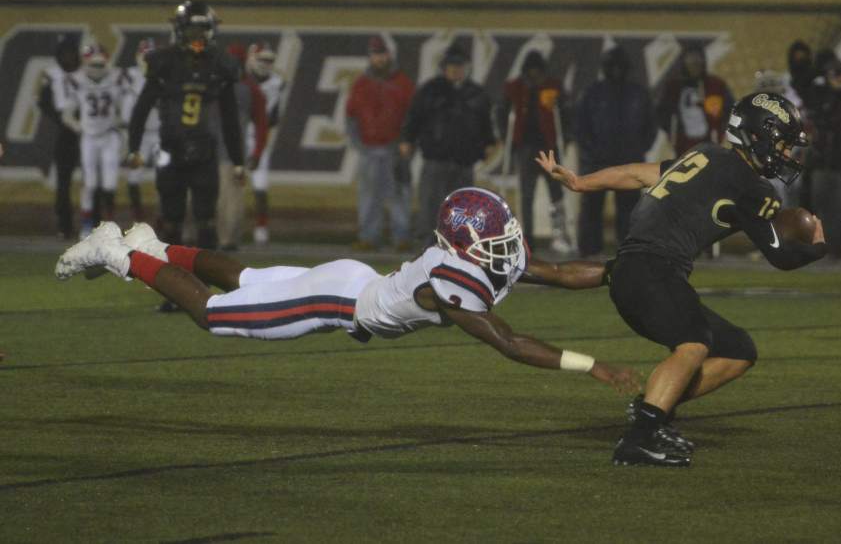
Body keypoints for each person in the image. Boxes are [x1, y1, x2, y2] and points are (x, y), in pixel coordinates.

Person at [55, 187, 641, 395]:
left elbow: (561, 273)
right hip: (338, 301)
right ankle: (121, 254)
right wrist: (593, 365)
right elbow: (509, 343)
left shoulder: (476, 259)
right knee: (215, 313)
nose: (509, 244)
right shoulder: (454, 280)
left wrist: (627, 267)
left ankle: (156, 245)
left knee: (248, 280)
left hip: (354, 281)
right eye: (498, 237)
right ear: (467, 245)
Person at [538, 92, 827, 467]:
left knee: (738, 349)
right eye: (784, 143)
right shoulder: (752, 188)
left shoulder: (704, 154)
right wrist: (818, 247)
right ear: (759, 136)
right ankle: (639, 437)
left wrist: (581, 182)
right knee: (693, 344)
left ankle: (653, 409)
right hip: (654, 271)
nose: (787, 153)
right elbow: (781, 257)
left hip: (633, 269)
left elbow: (635, 173)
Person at [126, 0, 244, 254]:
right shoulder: (164, 62)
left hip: (203, 148)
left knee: (206, 221)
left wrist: (237, 159)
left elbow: (230, 118)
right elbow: (141, 109)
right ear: (180, 30)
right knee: (170, 220)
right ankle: (173, 275)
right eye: (192, 31)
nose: (197, 38)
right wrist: (133, 147)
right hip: (169, 147)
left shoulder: (219, 64)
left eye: (202, 31)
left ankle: (205, 277)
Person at [400, 43, 498, 246]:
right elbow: (414, 117)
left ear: (466, 68)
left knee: (462, 208)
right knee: (431, 205)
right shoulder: (430, 90)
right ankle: (428, 246)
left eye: (459, 66)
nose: (455, 70)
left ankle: (458, 246)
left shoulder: (476, 93)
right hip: (436, 158)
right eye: (451, 66)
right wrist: (407, 139)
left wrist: (488, 143)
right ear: (444, 67)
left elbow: (485, 123)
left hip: (464, 160)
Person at [570, 46, 656, 257]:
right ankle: (589, 251)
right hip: (597, 161)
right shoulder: (592, 93)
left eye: (620, 66)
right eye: (612, 66)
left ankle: (629, 251)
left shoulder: (638, 94)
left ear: (626, 68)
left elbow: (650, 127)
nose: (616, 70)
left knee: (630, 210)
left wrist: (638, 149)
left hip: (629, 162)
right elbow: (580, 127)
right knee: (592, 208)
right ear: (605, 67)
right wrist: (591, 152)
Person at [499, 50, 573, 254]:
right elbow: (502, 112)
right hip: (525, 147)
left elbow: (566, 113)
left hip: (550, 147)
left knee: (556, 192)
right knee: (526, 195)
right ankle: (527, 238)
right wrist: (506, 137)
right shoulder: (514, 87)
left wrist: (566, 137)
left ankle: (559, 235)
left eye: (537, 71)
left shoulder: (553, 86)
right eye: (531, 71)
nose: (534, 75)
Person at [346, 35, 415, 251]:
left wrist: (407, 142)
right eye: (376, 54)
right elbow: (351, 116)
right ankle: (369, 237)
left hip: (396, 150)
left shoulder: (403, 83)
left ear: (389, 55)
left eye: (382, 54)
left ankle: (401, 238)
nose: (379, 58)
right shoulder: (361, 84)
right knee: (369, 196)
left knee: (398, 195)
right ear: (370, 57)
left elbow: (413, 116)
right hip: (369, 149)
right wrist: (359, 144)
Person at [62, 41, 125, 239]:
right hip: (89, 138)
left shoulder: (116, 79)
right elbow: (67, 114)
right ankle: (87, 226)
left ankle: (110, 227)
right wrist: (79, 127)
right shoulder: (77, 81)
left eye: (100, 64)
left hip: (109, 137)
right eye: (93, 64)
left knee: (110, 185)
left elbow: (124, 110)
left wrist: (119, 123)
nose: (97, 68)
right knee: (89, 184)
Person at [805, 57, 841, 258]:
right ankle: (832, 250)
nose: (839, 80)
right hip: (822, 164)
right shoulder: (819, 97)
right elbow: (801, 79)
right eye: (834, 76)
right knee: (825, 210)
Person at [217, 43, 268, 251]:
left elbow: (262, 124)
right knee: (232, 196)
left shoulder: (218, 84)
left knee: (225, 197)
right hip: (232, 150)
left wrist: (257, 152)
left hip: (221, 150)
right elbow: (262, 124)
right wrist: (257, 152)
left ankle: (225, 239)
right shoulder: (251, 88)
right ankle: (229, 238)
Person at [38, 34, 81, 240]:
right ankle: (65, 225)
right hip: (65, 133)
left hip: (88, 130)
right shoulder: (52, 75)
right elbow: (44, 102)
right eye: (64, 54)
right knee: (63, 182)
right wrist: (61, 119)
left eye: (71, 53)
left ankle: (95, 223)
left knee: (95, 180)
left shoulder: (86, 73)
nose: (68, 58)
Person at [657, 43, 734, 157]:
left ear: (703, 62)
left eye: (698, 60)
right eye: (690, 60)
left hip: (710, 144)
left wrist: (720, 128)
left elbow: (731, 110)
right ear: (683, 63)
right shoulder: (673, 88)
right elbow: (662, 113)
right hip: (683, 146)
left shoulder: (716, 85)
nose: (694, 64)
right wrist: (673, 134)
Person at [245, 42, 287, 246]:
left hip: (258, 136)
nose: (266, 63)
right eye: (262, 59)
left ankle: (261, 227)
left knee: (260, 186)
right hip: (236, 135)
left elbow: (275, 117)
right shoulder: (240, 79)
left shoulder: (277, 83)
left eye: (270, 60)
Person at [121, 38, 161, 222]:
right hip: (140, 135)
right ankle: (137, 215)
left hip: (160, 134)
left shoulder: (163, 74)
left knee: (165, 175)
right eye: (145, 55)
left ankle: (163, 215)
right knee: (134, 176)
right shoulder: (130, 76)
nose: (147, 60)